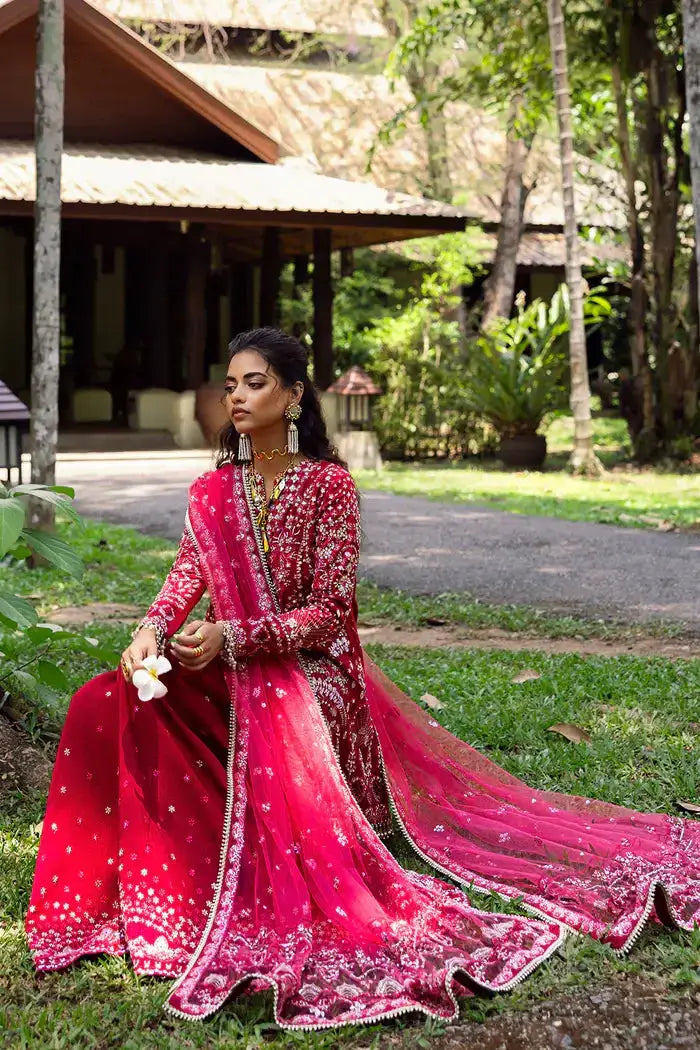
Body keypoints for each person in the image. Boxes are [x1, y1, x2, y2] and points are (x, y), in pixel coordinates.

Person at [27, 328, 699, 1031]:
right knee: (106, 697)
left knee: (280, 706)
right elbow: (183, 582)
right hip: (233, 664)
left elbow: (328, 615)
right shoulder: (213, 493)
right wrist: (150, 632)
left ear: (292, 395)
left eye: (254, 382)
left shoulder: (329, 488)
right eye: (230, 385)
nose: (237, 396)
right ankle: (152, 897)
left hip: (315, 672)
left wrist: (236, 638)